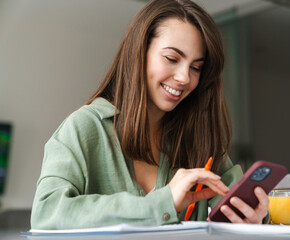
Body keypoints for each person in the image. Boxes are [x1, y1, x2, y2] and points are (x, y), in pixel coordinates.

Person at [31, 0, 269, 230]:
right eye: (172, 59)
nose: (185, 77)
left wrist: (255, 219)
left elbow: (235, 206)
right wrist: (163, 203)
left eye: (196, 67)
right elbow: (46, 213)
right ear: (139, 53)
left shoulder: (198, 138)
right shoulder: (84, 127)